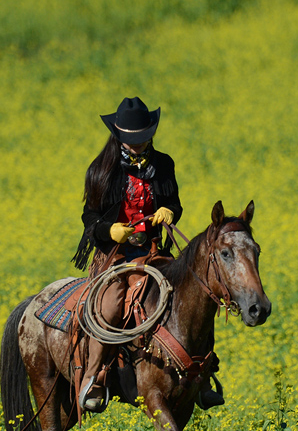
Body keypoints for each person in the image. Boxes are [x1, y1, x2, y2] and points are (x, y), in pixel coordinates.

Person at [71, 96, 224, 412]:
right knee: (112, 304)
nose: (139, 145)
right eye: (133, 140)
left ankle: (204, 376)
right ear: (119, 137)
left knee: (195, 295)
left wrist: (170, 210)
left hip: (154, 251)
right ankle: (94, 376)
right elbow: (90, 218)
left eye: (144, 139)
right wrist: (110, 230)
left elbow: (175, 202)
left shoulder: (164, 163)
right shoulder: (101, 170)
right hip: (115, 256)